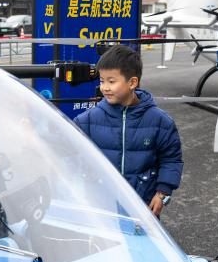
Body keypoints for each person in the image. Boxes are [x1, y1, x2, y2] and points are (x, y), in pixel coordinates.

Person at [74, 45, 182, 219]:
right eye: (102, 81)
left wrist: (162, 194)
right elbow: (64, 149)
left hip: (142, 206)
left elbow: (171, 159)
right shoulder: (87, 120)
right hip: (101, 206)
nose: (105, 87)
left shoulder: (160, 121)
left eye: (111, 81)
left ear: (132, 82)